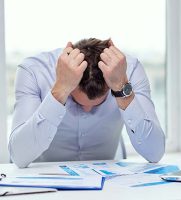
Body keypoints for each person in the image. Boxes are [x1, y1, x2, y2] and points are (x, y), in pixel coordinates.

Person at [9, 38, 165, 168]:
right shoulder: (34, 71)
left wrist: (121, 88)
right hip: (42, 184)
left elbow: (154, 152)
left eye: (99, 104)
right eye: (77, 101)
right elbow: (19, 155)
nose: (88, 110)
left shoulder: (128, 71)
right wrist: (61, 89)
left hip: (110, 187)